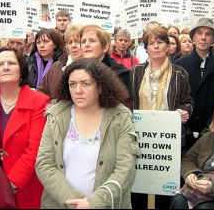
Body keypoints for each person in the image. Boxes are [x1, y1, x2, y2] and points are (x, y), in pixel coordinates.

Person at [36, 58, 139, 208]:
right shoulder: (55, 115)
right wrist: (75, 202)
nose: (78, 90)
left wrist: (94, 203)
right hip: (60, 204)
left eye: (86, 84)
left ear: (101, 87)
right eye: (72, 84)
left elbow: (125, 168)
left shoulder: (120, 117)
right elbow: (44, 164)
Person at [0, 46, 50, 208]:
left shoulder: (39, 101)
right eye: (0, 64)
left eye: (11, 63)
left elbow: (35, 149)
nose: (5, 67)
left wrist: (10, 186)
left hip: (24, 187)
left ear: (22, 69)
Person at [130, 27, 194, 209]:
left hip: (168, 141)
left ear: (167, 46)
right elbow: (130, 102)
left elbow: (188, 101)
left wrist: (183, 111)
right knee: (141, 188)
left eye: (160, 42)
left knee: (165, 191)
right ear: (146, 48)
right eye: (151, 43)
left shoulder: (180, 73)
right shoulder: (136, 72)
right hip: (141, 138)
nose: (156, 46)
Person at [174, 18, 214, 150]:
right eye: (200, 33)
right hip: (183, 131)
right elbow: (173, 97)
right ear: (193, 37)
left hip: (212, 132)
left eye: (208, 34)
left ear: (213, 39)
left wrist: (211, 125)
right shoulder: (179, 66)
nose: (203, 37)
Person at [79, 25, 133, 108]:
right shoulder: (76, 72)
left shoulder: (119, 73)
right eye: (83, 41)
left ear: (105, 47)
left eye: (92, 41)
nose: (86, 45)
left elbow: (125, 109)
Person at [38, 24, 83, 101]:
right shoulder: (57, 66)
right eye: (70, 42)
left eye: (77, 42)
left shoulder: (93, 67)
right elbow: (42, 92)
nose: (73, 46)